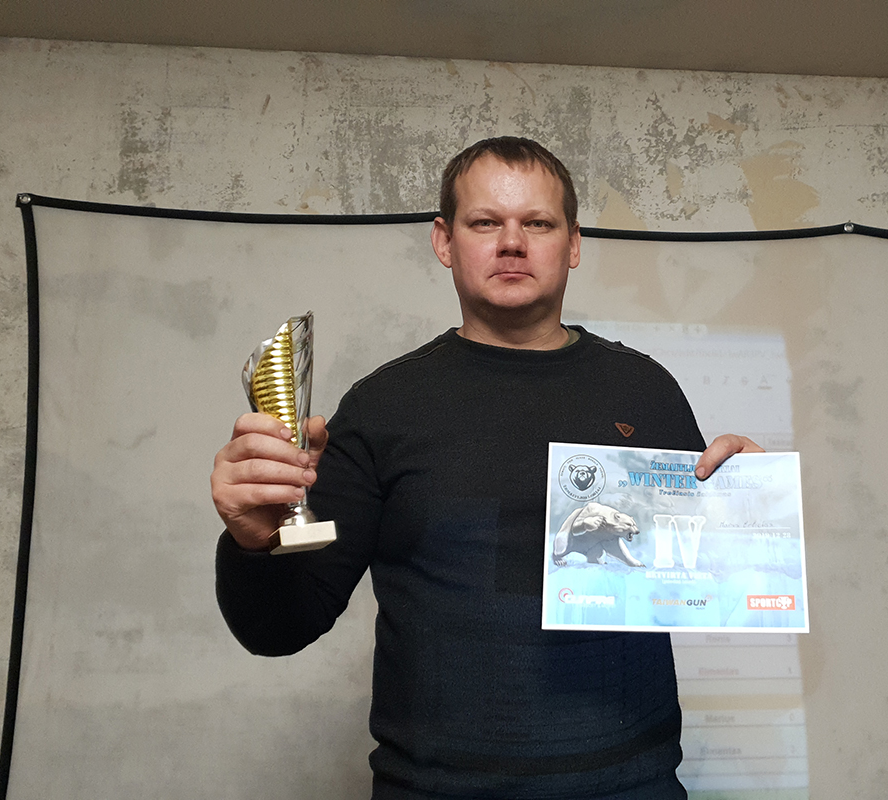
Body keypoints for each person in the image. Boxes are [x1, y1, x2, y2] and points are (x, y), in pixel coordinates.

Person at [211, 137, 763, 799]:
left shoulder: (645, 391)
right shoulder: (382, 407)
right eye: (484, 222)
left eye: (538, 223)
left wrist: (750, 509)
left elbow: (706, 584)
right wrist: (253, 542)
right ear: (444, 241)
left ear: (573, 244)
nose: (512, 243)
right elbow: (280, 628)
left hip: (631, 786)